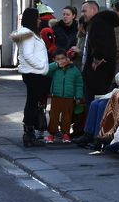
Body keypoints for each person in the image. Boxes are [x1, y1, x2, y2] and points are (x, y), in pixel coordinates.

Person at [11, 8, 51, 146]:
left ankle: (30, 132)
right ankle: (29, 133)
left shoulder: (29, 34)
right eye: (38, 18)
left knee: (32, 102)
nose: (40, 20)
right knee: (32, 103)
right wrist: (41, 66)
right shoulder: (28, 34)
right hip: (33, 73)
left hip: (33, 73)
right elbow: (28, 55)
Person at [80, 0, 119, 104]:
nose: (82, 14)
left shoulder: (98, 23)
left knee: (95, 101)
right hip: (103, 70)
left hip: (98, 72)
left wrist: (97, 59)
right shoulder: (102, 22)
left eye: (84, 10)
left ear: (93, 10)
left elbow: (99, 43)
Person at [45, 49, 85, 143]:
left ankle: (66, 134)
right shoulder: (54, 69)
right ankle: (51, 134)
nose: (61, 61)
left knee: (66, 117)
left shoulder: (74, 70)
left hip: (69, 97)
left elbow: (79, 84)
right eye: (58, 59)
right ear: (54, 60)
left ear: (67, 58)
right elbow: (46, 71)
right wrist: (56, 65)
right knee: (53, 116)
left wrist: (78, 96)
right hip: (56, 96)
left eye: (63, 58)